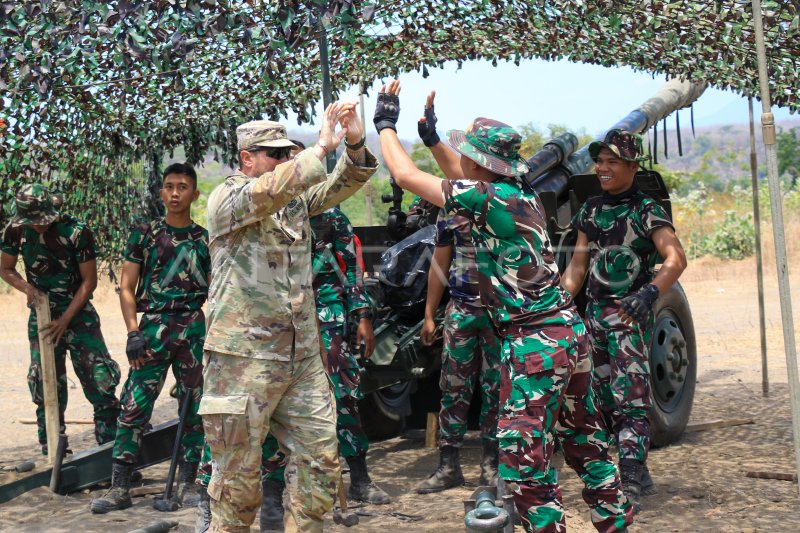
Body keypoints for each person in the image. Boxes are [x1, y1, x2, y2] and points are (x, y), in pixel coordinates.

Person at [373, 80, 633, 533]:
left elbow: (407, 178)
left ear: (480, 163)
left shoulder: (489, 198)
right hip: (567, 333)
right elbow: (460, 172)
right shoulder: (516, 193)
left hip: (536, 341)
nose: (465, 161)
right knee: (584, 441)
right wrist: (433, 138)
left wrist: (385, 124)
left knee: (523, 462)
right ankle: (615, 521)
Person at [199, 102, 378, 533]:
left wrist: (353, 141)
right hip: (242, 361)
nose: (284, 159)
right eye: (274, 154)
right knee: (237, 485)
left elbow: (344, 181)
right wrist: (318, 149)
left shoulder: (292, 204)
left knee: (321, 466)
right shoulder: (229, 198)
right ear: (247, 158)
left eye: (287, 152)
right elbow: (269, 191)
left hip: (300, 360)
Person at [562, 129, 687, 511]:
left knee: (631, 397)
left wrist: (650, 293)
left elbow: (676, 258)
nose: (602, 167)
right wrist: (557, 305)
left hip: (630, 317)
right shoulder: (590, 211)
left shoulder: (647, 210)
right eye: (599, 161)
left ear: (632, 166)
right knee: (598, 399)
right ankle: (628, 468)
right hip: (595, 317)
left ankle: (631, 475)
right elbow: (578, 267)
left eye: (612, 161)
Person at [90, 163, 211, 514]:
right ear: (161, 192)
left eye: (183, 187)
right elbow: (127, 287)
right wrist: (132, 333)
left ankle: (190, 482)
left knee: (194, 407)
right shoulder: (144, 233)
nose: (175, 193)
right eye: (169, 186)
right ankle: (120, 487)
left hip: (193, 328)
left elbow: (216, 288)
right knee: (133, 407)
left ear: (194, 194)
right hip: (153, 327)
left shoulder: (204, 238)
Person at [416, 92, 501, 494]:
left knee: (495, 388)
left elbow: (458, 172)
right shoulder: (454, 208)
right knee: (453, 387)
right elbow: (440, 261)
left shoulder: (504, 195)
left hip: (500, 312)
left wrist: (432, 139)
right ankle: (449, 465)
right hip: (464, 309)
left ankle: (492, 467)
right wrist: (432, 312)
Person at [0, 184, 121, 455]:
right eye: (33, 222)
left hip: (79, 317)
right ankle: (53, 449)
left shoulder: (76, 231)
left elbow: (89, 282)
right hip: (43, 318)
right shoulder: (15, 230)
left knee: (100, 381)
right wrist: (27, 289)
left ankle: (110, 452)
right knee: (45, 384)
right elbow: (6, 269)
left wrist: (65, 319)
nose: (39, 226)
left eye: (42, 220)